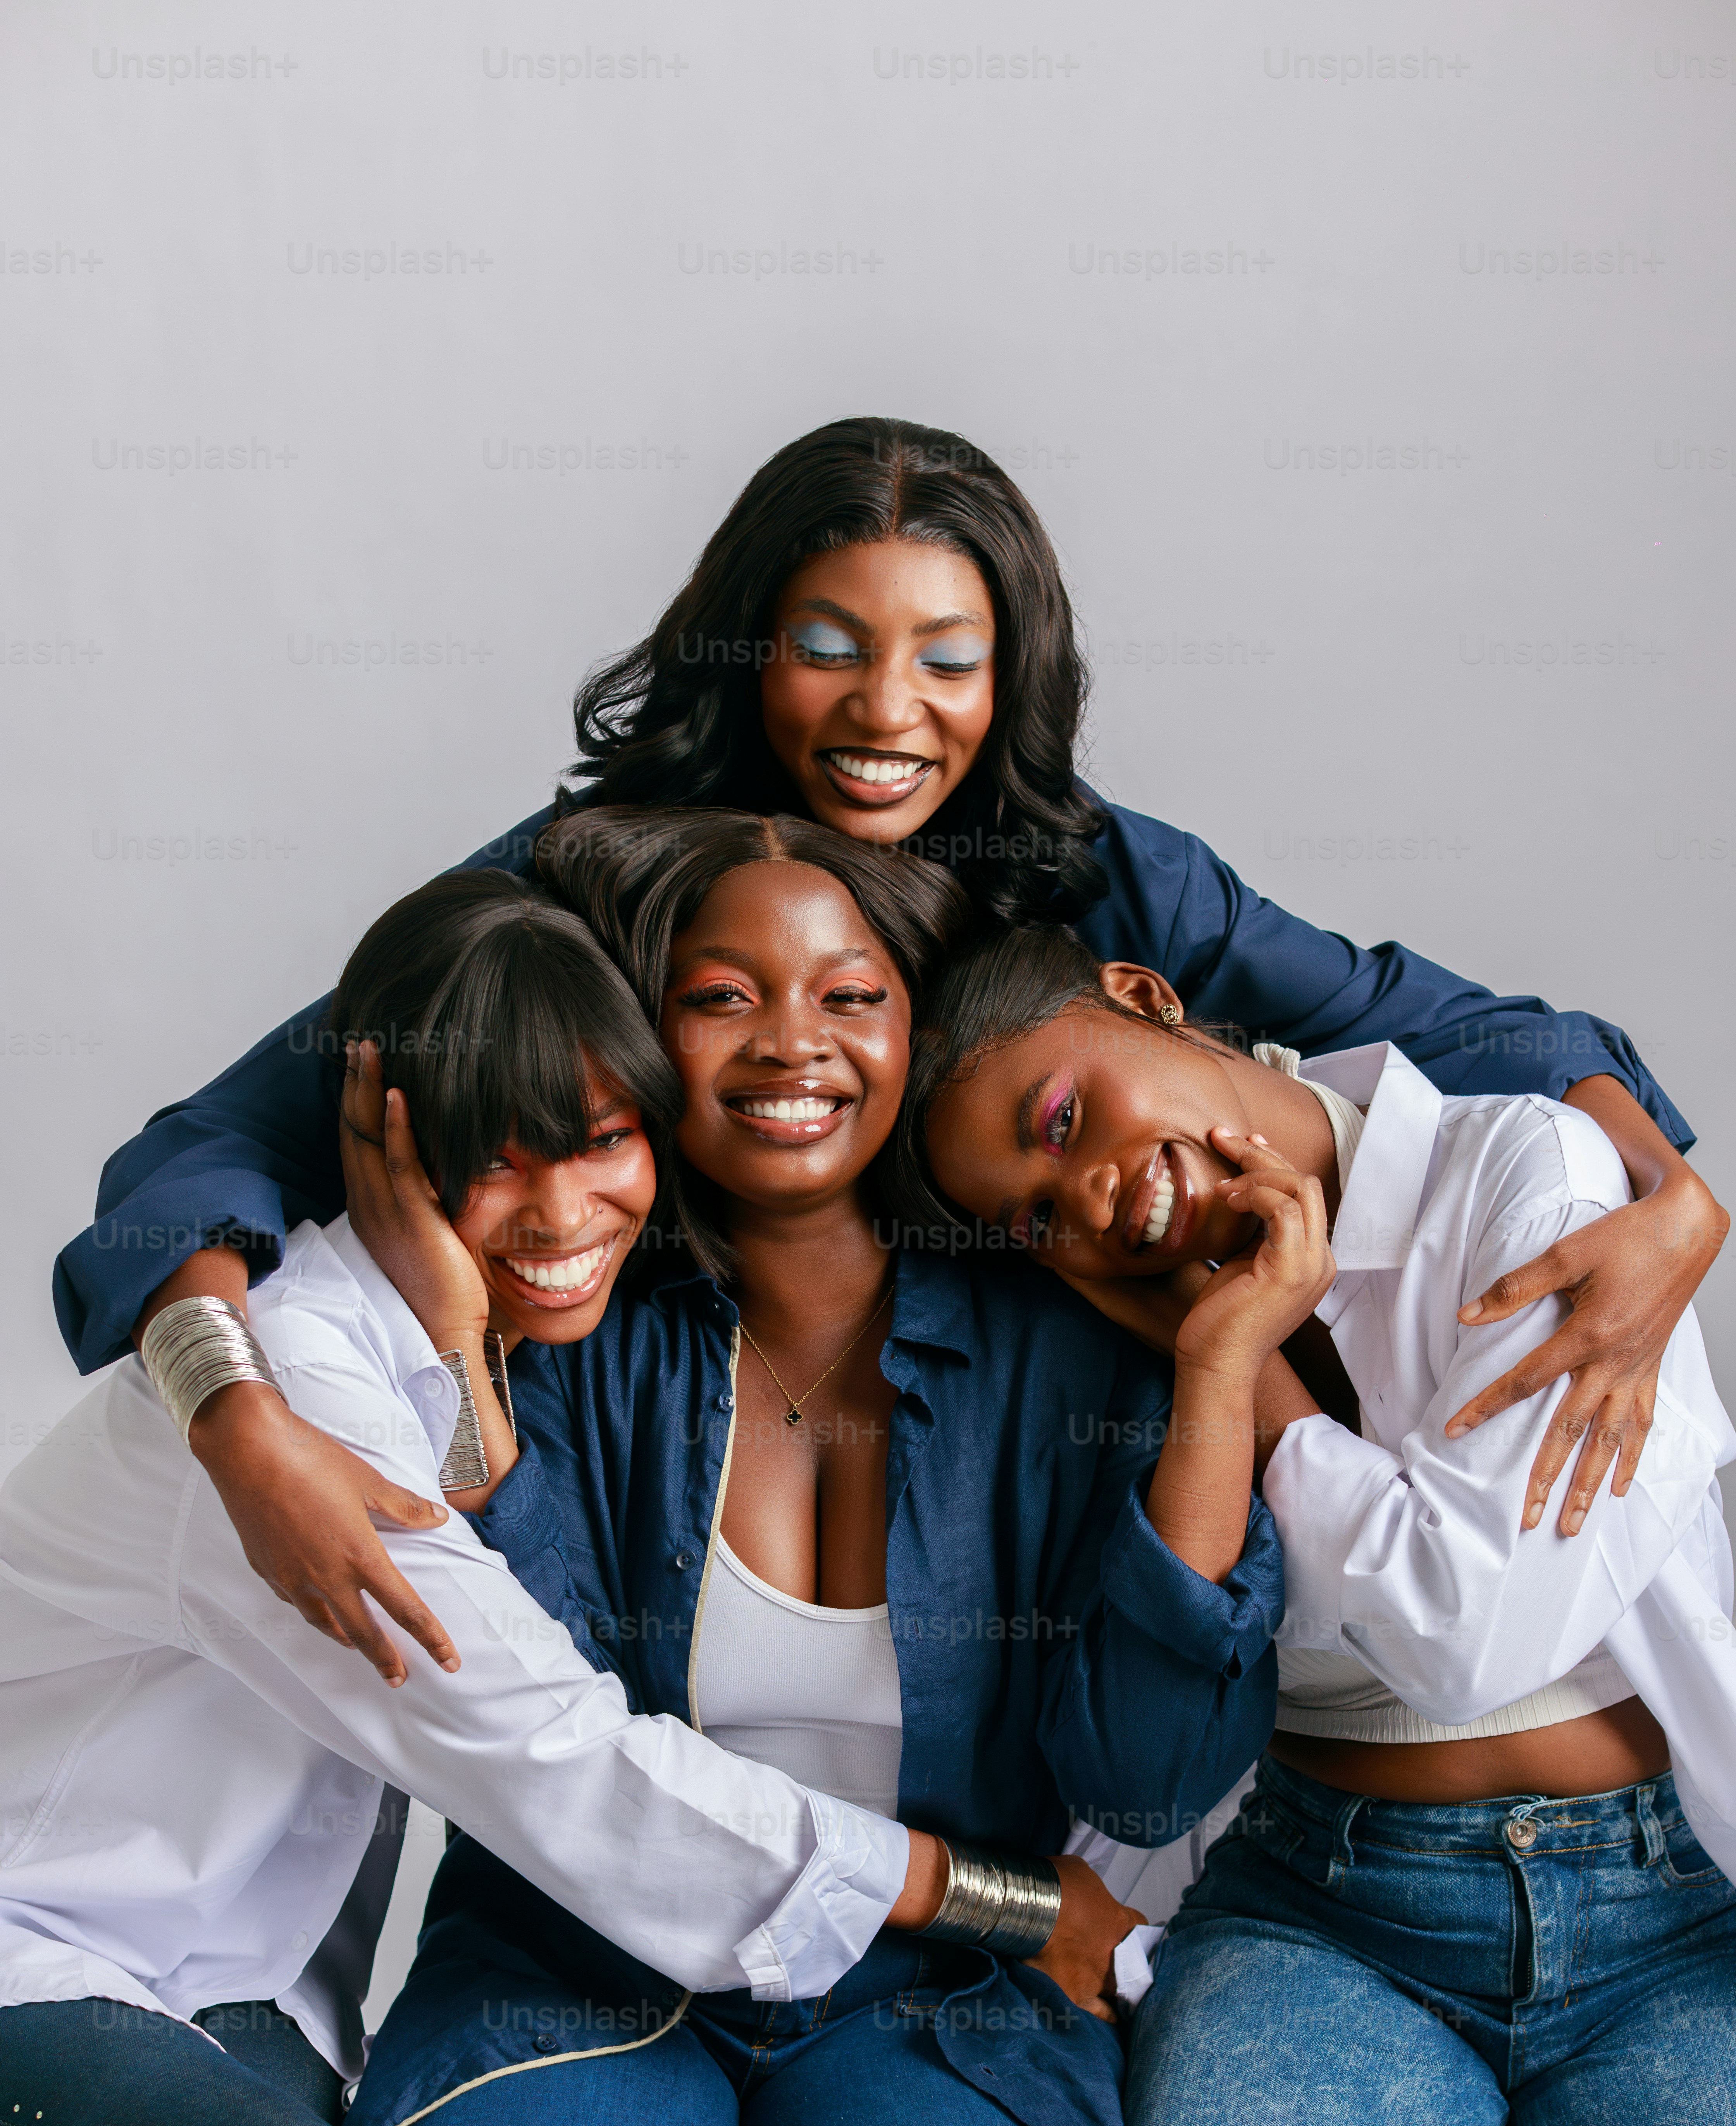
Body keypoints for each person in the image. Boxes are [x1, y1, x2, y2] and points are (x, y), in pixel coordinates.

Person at [50, 419, 1724, 1686]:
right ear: (741, 644)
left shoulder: (1101, 874)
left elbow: (1451, 1020)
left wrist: (1671, 1197)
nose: (886, 712)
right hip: (645, 1478)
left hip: (1015, 1495)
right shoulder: (584, 880)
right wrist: (240, 1422)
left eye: (947, 658)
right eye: (830, 645)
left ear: (1011, 676)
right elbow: (194, 1162)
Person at [334, 807, 1319, 2126]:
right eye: (723, 996)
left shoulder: (1060, 1326)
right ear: (647, 1039)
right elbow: (512, 1705)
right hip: (586, 1968)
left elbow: (1151, 1769)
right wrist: (458, 1333)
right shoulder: (583, 1306)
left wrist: (1215, 1375)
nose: (795, 1041)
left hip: (935, 2003)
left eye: (850, 993)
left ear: (911, 1031)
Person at [0, 868, 994, 2126]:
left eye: (605, 1140)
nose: (562, 1208)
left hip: (207, 1976)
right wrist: (977, 1896)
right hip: (31, 1953)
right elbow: (558, 1762)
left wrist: (463, 1349)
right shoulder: (292, 1397)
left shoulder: (423, 1367)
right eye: (497, 1157)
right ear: (380, 1141)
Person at [904, 920, 1736, 2126]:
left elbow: (1466, 1623)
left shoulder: (1532, 1167)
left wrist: (1262, 1376)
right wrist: (1204, 1362)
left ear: (1139, 999)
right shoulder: (1101, 1343)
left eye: (1066, 1122)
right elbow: (1140, 1755)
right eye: (1037, 1216)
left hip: (1663, 1917)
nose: (1093, 1207)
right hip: (1325, 1916)